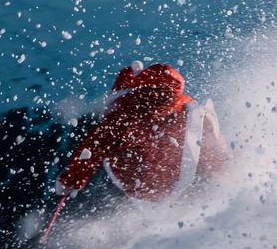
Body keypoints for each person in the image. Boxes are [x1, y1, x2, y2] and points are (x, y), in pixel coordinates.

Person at [55, 61, 230, 203]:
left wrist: (70, 182)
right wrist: (225, 167)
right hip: (178, 181)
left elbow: (91, 149)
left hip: (139, 186)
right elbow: (208, 141)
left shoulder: (123, 111)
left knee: (113, 149)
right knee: (195, 152)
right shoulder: (188, 107)